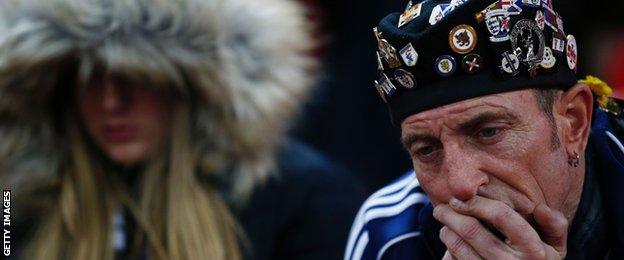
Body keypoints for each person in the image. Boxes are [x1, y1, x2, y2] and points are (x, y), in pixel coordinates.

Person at [0, 0, 364, 259]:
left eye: (137, 74)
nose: (112, 102)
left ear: (192, 85)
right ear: (58, 91)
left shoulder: (300, 197)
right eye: (88, 78)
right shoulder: (17, 208)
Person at [345, 0, 624, 259]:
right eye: (427, 150)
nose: (462, 184)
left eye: (489, 132)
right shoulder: (387, 232)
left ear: (574, 122)